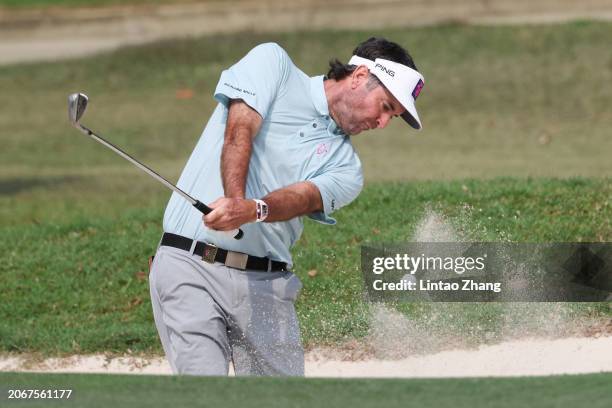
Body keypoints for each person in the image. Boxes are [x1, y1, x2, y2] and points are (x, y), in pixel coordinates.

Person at [149, 37, 425, 376]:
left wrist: (251, 209)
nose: (382, 123)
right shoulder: (273, 64)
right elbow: (239, 130)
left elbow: (303, 198)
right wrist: (235, 199)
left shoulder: (347, 169)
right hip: (190, 265)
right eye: (385, 107)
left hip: (266, 284)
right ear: (359, 76)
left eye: (392, 117)